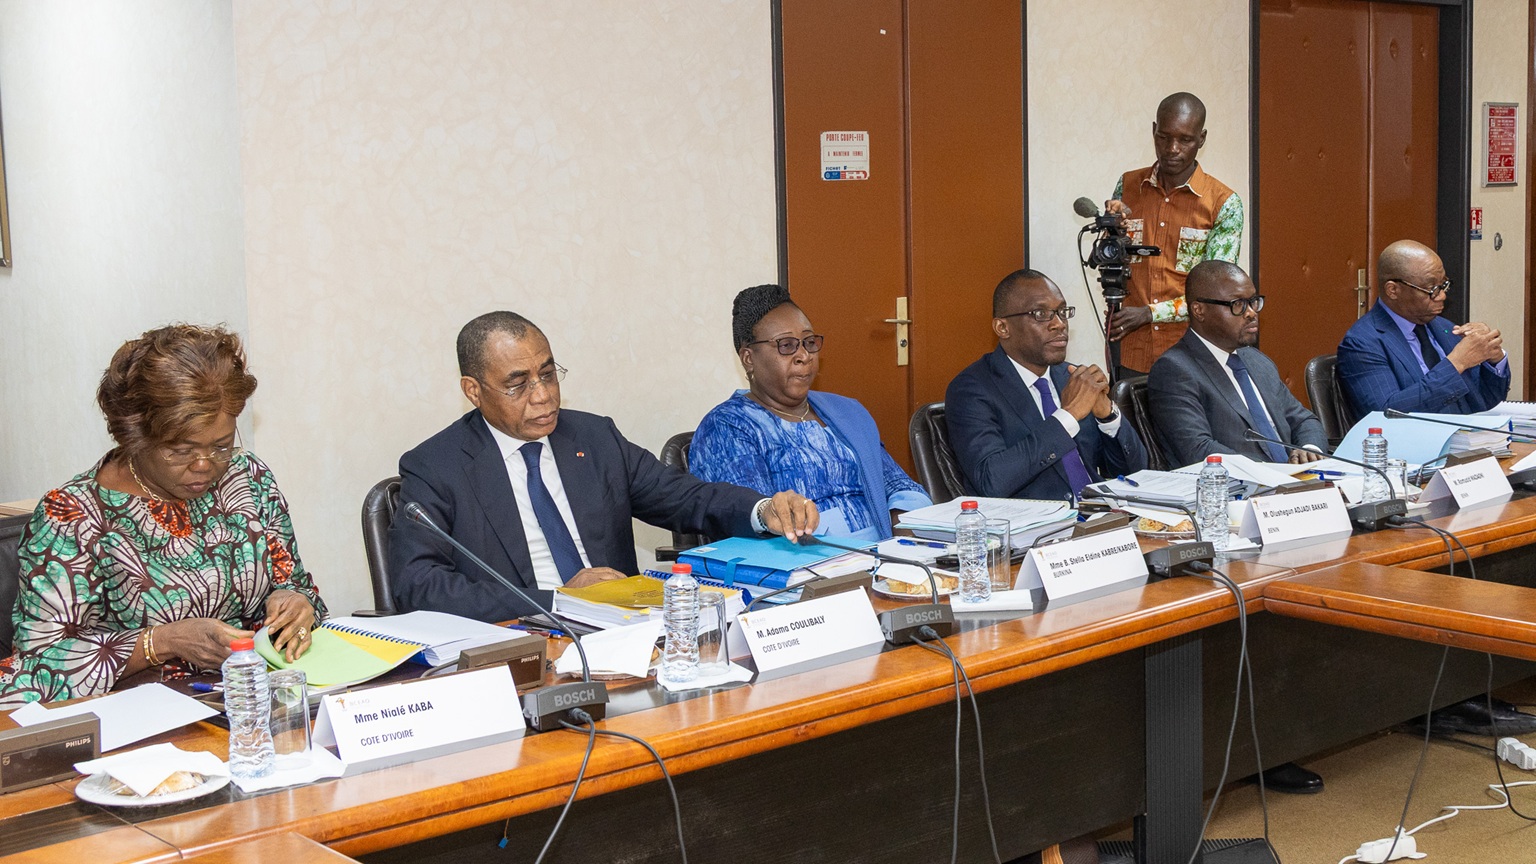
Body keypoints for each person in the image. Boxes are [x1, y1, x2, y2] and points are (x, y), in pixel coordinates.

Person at [388, 311, 819, 623]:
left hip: (624, 632)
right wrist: (555, 598)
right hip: (521, 636)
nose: (543, 396)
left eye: (548, 374)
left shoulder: (593, 439)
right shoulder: (437, 466)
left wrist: (763, 510)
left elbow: (686, 496)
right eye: (518, 384)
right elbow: (419, 585)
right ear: (474, 391)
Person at [0, 325, 325, 708]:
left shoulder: (247, 478)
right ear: (135, 436)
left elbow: (298, 588)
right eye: (181, 450)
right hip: (140, 721)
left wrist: (296, 603)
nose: (204, 465)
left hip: (250, 702)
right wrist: (163, 642)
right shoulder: (72, 517)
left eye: (221, 446)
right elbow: (36, 669)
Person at [689, 285, 931, 541]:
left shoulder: (846, 412)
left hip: (886, 558)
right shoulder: (728, 427)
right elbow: (757, 528)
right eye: (786, 345)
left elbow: (897, 485)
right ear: (749, 358)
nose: (804, 355)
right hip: (805, 569)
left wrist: (903, 544)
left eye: (809, 342)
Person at [945, 269, 1148, 502]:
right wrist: (1068, 416)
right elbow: (992, 481)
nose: (1059, 324)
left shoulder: (1071, 377)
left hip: (1102, 516)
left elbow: (1136, 472)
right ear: (1003, 327)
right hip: (1037, 531)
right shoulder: (972, 389)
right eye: (1041, 314)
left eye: (1062, 312)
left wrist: (1107, 417)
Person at [1103, 92, 1243, 378]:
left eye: (1185, 140)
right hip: (1131, 348)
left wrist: (1150, 313)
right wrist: (1112, 228)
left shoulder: (1223, 203)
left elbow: (1213, 294)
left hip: (1191, 353)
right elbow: (1114, 261)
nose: (1172, 149)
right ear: (1154, 131)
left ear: (1201, 139)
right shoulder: (1128, 185)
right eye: (1164, 137)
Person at [1147, 260, 1328, 467]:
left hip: (1293, 483)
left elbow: (1304, 420)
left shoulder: (1256, 361)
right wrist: (1274, 471)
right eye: (1238, 305)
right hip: (1239, 490)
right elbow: (1198, 449)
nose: (1251, 313)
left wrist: (1309, 450)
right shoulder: (1174, 370)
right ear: (1199, 310)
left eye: (1253, 302)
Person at [1337, 239, 1511, 416]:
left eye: (1443, 285)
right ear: (1393, 290)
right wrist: (1457, 362)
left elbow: (1483, 402)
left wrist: (1493, 359)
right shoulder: (1362, 343)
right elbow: (1388, 413)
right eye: (1432, 289)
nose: (1442, 296)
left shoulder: (1445, 329)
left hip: (1470, 439)